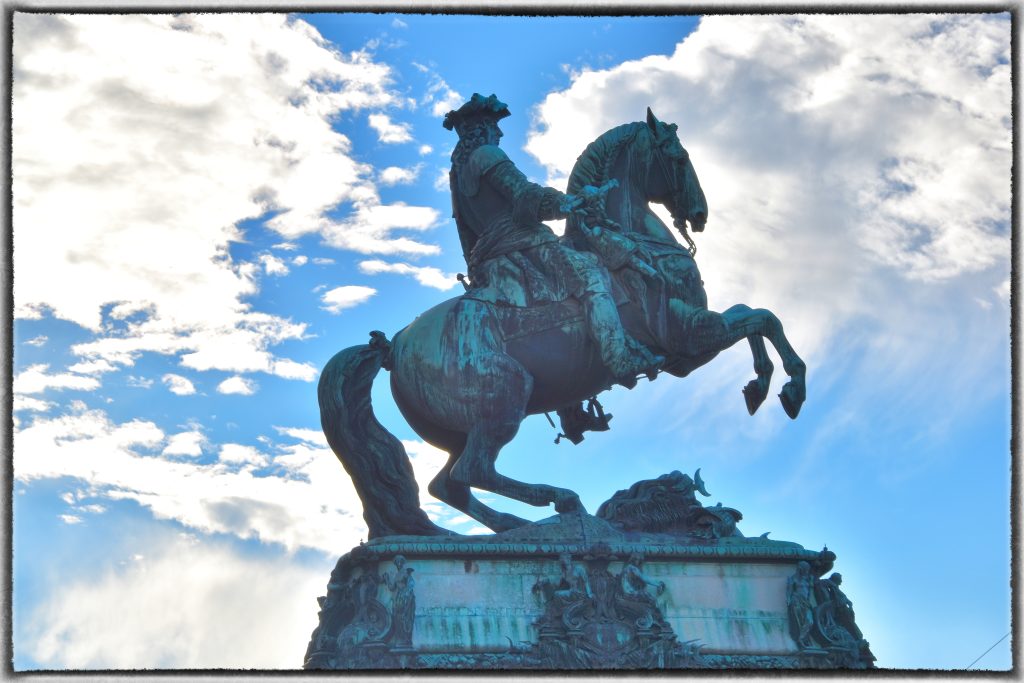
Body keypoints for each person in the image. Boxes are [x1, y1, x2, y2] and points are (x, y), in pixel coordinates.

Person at [443, 93, 662, 387]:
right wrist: (565, 203)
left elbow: (465, 231)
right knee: (592, 275)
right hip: (523, 245)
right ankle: (618, 358)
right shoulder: (487, 155)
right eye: (496, 127)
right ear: (483, 128)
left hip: (489, 257)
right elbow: (523, 194)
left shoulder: (457, 172)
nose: (501, 133)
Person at [786, 561, 816, 649]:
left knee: (810, 621)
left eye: (808, 569)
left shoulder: (809, 579)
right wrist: (788, 601)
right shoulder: (793, 579)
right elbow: (789, 591)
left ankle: (802, 638)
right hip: (796, 601)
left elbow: (809, 593)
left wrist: (809, 602)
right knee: (798, 622)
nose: (807, 571)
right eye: (806, 569)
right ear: (801, 569)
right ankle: (800, 640)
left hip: (805, 602)